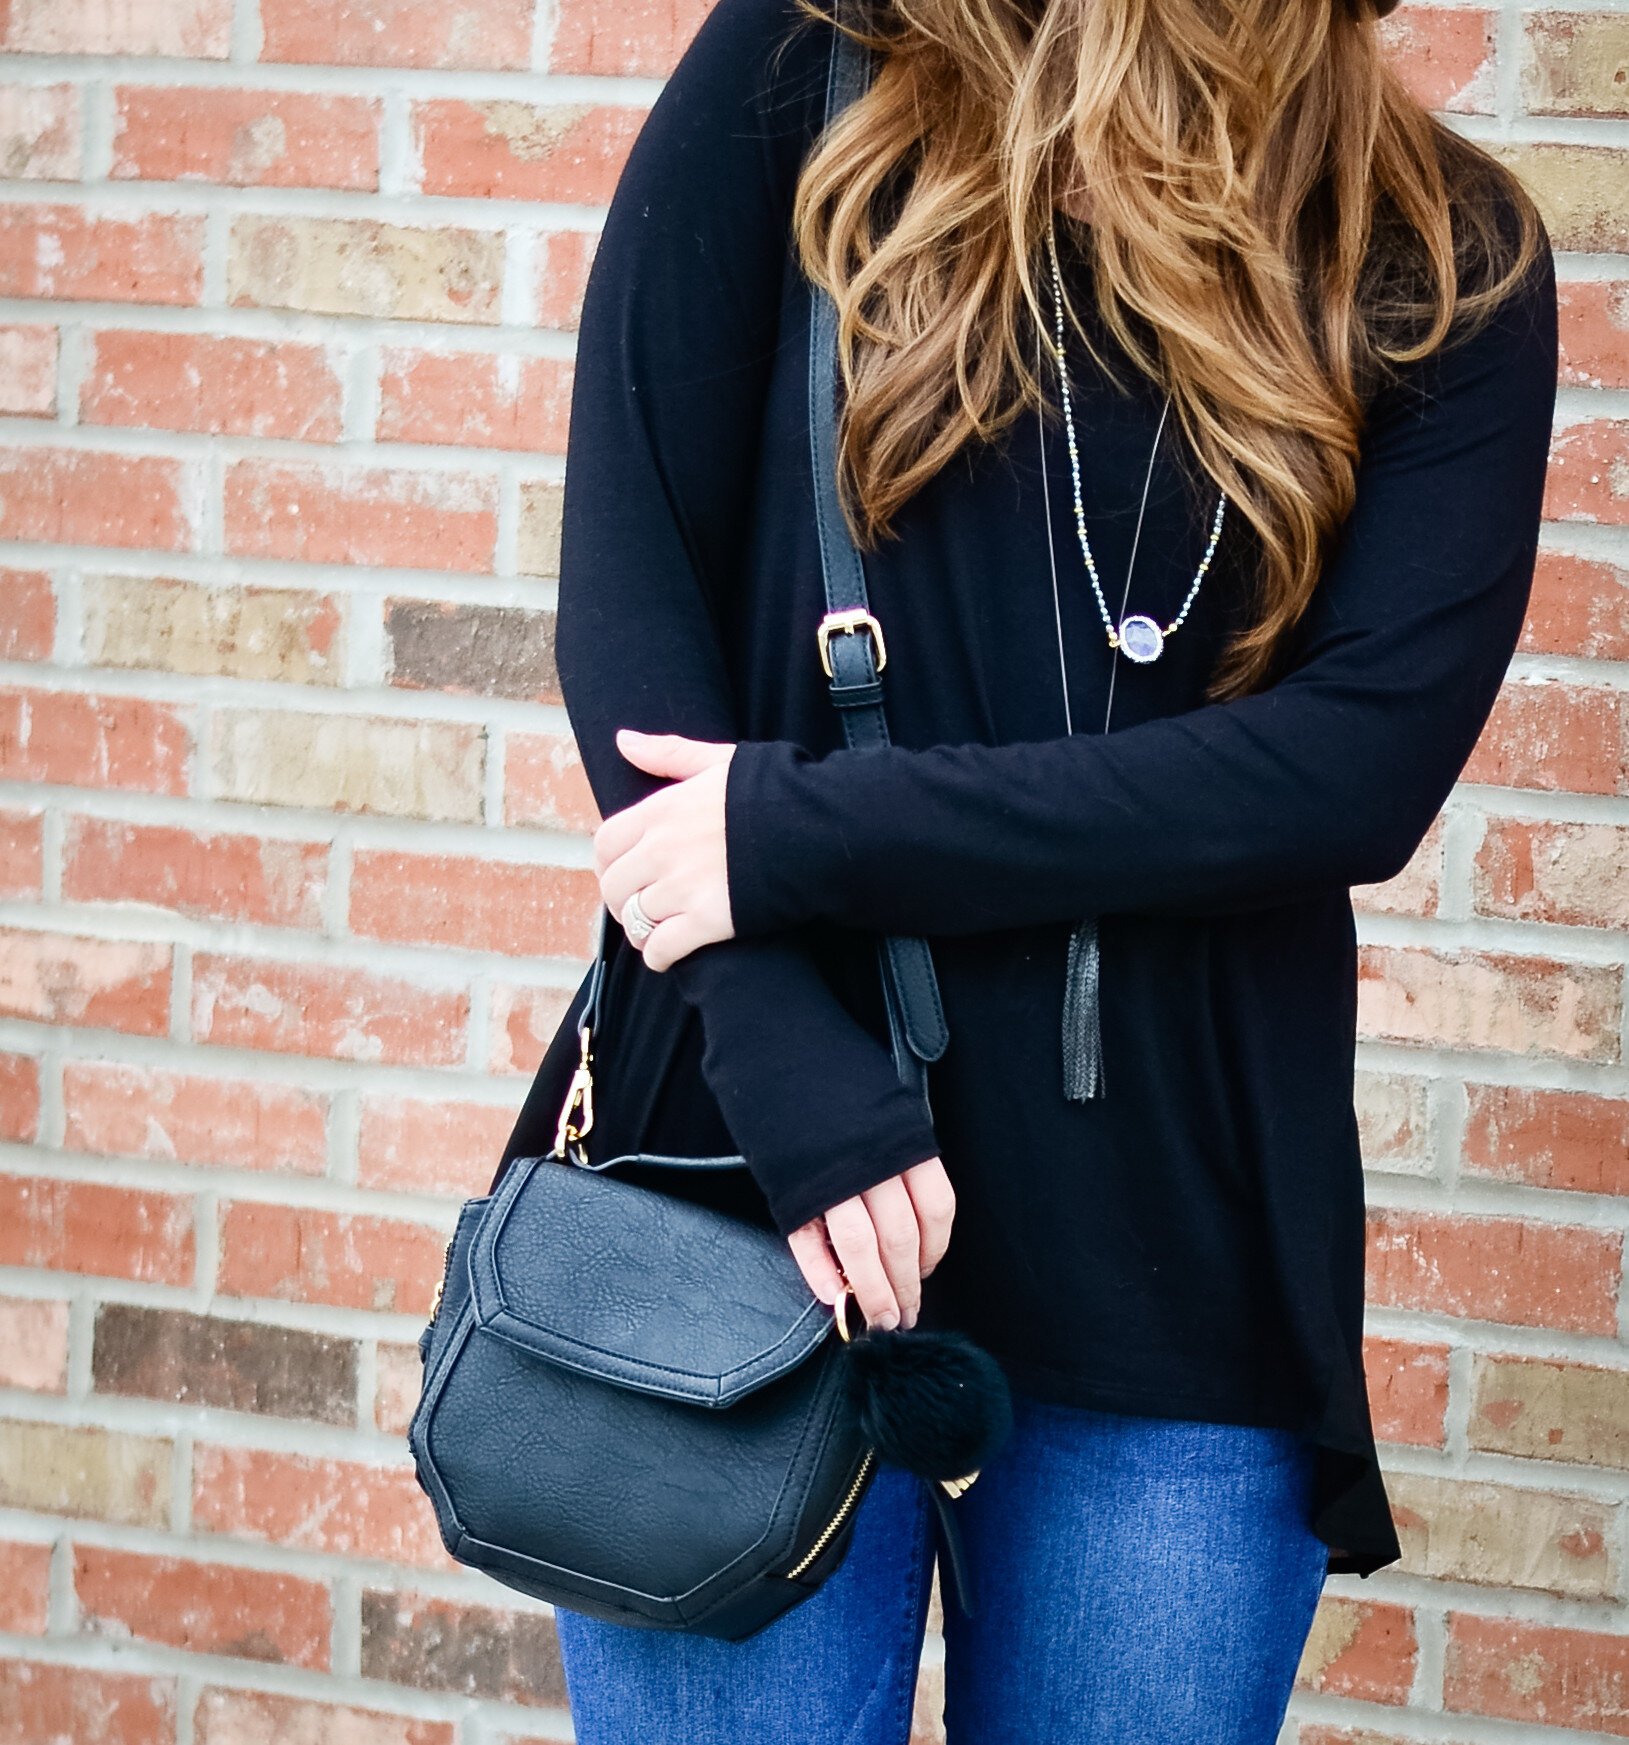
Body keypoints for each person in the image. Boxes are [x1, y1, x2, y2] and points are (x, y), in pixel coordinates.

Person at [529, 0, 1557, 1731]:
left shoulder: (1435, 257)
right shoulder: (807, 65)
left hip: (1172, 1250)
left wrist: (798, 831)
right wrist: (793, 1078)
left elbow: (1347, 774)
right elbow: (630, 617)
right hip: (737, 1181)